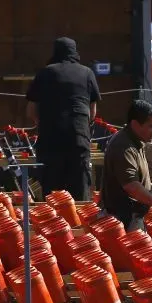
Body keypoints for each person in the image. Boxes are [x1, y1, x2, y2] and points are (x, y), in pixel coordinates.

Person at [25, 37, 100, 201]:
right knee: (79, 188)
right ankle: (80, 223)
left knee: (52, 190)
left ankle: (53, 224)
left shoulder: (45, 73)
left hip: (50, 140)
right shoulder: (87, 73)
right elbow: (92, 111)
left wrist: (43, 123)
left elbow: (31, 110)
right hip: (78, 138)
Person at [101, 99, 152, 231]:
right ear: (135, 124)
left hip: (130, 217)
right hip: (122, 220)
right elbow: (131, 186)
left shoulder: (136, 141)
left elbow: (137, 177)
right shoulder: (124, 147)